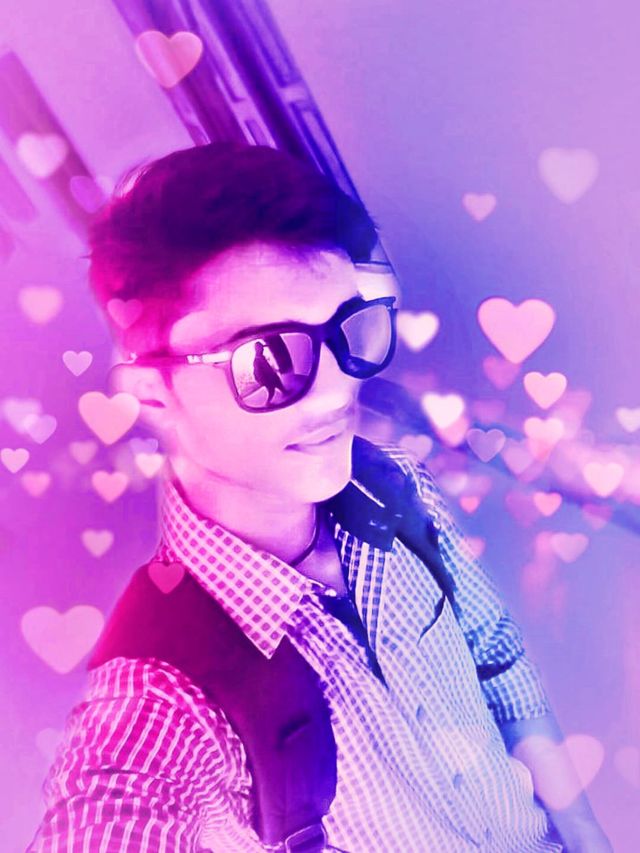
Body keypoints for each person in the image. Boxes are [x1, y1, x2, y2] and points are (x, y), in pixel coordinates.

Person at [27, 143, 612, 852]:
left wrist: (586, 835)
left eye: (348, 331)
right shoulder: (165, 692)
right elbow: (111, 809)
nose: (337, 391)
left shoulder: (397, 489)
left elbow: (496, 657)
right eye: (269, 359)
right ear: (154, 393)